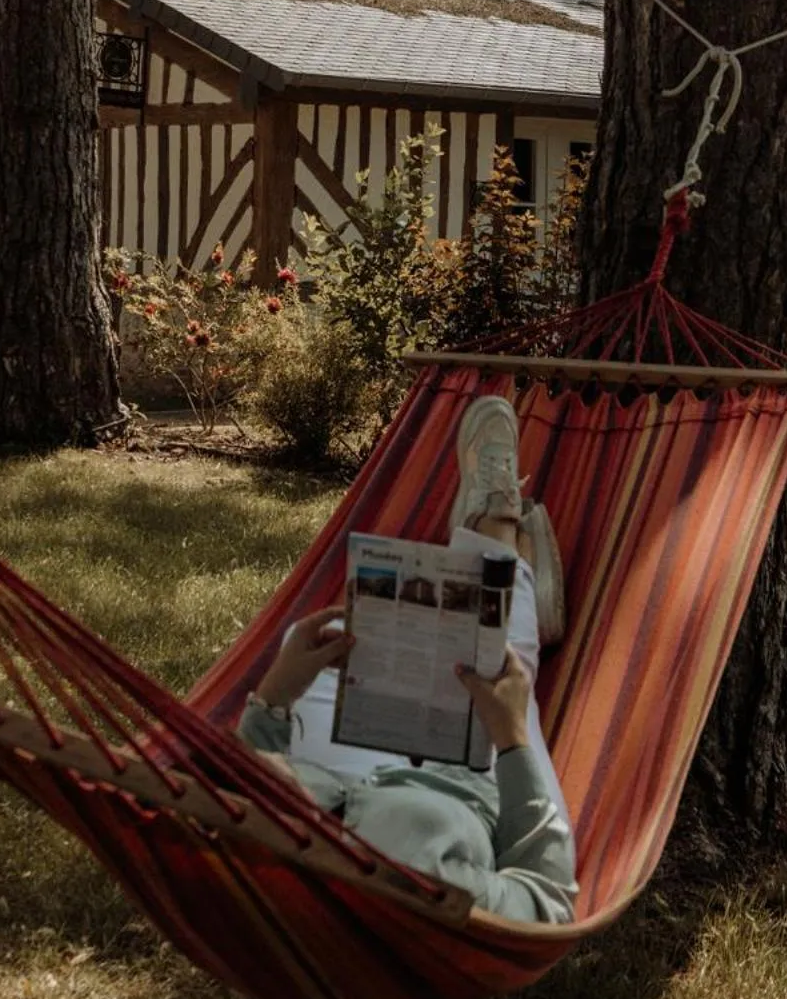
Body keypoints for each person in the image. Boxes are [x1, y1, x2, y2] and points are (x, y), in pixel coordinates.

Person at [238, 396, 578, 924]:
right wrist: (511, 739)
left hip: (342, 779)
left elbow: (245, 789)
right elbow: (547, 896)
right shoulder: (433, 889)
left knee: (316, 648)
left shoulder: (290, 850)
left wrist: (275, 699)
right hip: (469, 781)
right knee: (496, 664)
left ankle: (518, 569)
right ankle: (499, 526)